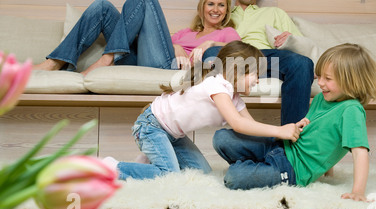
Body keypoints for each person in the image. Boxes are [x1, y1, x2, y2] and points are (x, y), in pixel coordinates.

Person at [104, 41, 301, 180]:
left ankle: (148, 163)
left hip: (173, 135)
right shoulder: (216, 85)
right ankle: (111, 168)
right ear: (236, 70)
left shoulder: (235, 97)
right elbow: (238, 124)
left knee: (202, 175)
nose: (259, 80)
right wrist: (279, 130)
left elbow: (251, 125)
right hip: (151, 127)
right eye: (255, 74)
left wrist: (285, 131)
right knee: (168, 176)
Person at [213, 43, 376, 201]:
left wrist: (358, 192)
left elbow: (360, 152)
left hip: (293, 170)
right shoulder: (322, 98)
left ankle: (259, 168)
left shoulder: (352, 110)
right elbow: (322, 136)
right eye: (320, 76)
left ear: (352, 81)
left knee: (233, 178)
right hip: (282, 147)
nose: (320, 83)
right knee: (221, 138)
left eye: (328, 78)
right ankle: (260, 166)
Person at [34, 0, 240, 74]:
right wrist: (175, 46)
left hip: (165, 67)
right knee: (102, 7)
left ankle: (107, 59)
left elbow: (241, 51)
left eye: (221, 5)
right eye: (211, 4)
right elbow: (158, 42)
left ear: (227, 10)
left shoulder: (227, 33)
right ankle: (56, 62)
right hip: (142, 58)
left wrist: (211, 42)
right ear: (202, 7)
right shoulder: (185, 33)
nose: (215, 10)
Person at [202, 0, 315, 124]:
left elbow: (303, 47)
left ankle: (292, 139)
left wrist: (290, 37)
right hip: (236, 60)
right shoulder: (222, 13)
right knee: (212, 53)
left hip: (266, 59)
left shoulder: (274, 13)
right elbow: (200, 38)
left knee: (302, 63)